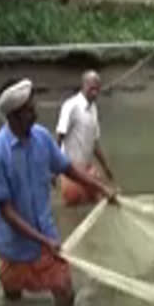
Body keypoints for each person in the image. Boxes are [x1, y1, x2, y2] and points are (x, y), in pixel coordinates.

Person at [0, 77, 117, 306]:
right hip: (14, 248)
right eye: (29, 109)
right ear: (13, 115)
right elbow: (7, 212)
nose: (35, 112)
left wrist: (101, 188)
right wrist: (45, 241)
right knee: (13, 302)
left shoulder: (42, 137)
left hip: (46, 238)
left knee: (65, 293)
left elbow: (68, 169)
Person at [55, 70, 115, 206]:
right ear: (84, 85)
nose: (95, 92)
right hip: (71, 170)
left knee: (94, 203)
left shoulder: (93, 108)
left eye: (97, 89)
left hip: (87, 169)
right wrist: (54, 169)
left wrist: (106, 167)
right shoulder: (71, 106)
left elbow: (94, 142)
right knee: (73, 207)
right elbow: (60, 136)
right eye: (92, 88)